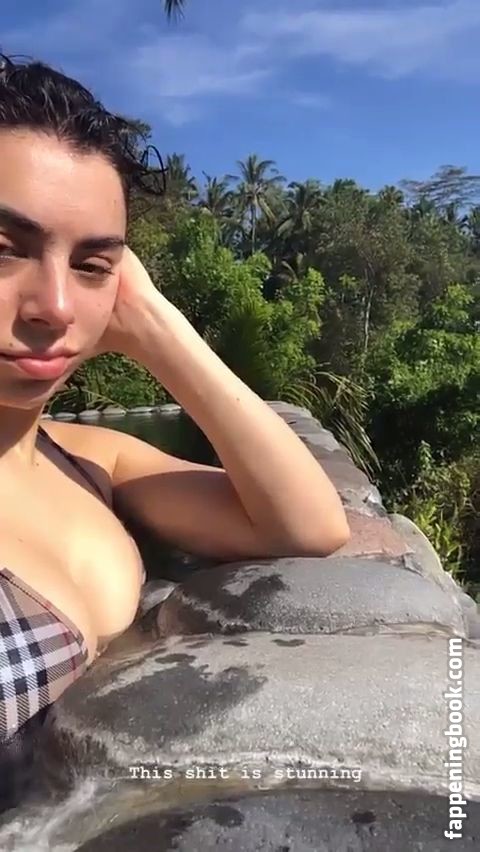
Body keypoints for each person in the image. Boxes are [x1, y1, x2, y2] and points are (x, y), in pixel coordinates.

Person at [0, 53, 350, 748]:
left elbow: (307, 526)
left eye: (93, 265)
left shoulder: (87, 459)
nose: (56, 306)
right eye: (5, 249)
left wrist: (160, 328)